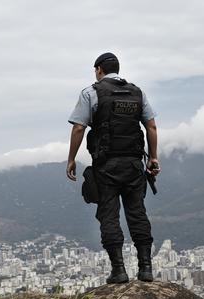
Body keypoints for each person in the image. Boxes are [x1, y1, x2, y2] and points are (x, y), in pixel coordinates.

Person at [65, 52, 160, 284]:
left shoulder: (91, 93)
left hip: (106, 166)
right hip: (134, 165)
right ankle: (145, 269)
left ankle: (119, 271)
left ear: (99, 70)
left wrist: (71, 159)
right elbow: (152, 127)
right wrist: (153, 158)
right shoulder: (137, 93)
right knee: (137, 213)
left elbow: (79, 128)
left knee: (109, 215)